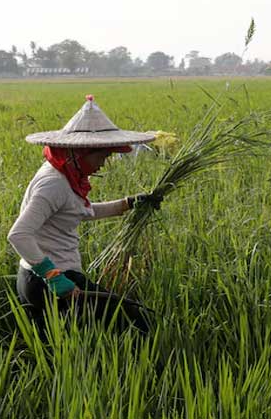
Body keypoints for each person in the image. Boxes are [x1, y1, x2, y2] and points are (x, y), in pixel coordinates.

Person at [8, 95, 162, 335]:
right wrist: (53, 276)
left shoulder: (64, 173)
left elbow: (76, 212)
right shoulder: (54, 183)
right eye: (101, 156)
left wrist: (128, 203)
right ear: (80, 153)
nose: (103, 164)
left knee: (62, 343)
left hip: (42, 278)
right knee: (134, 323)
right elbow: (18, 235)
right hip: (49, 281)